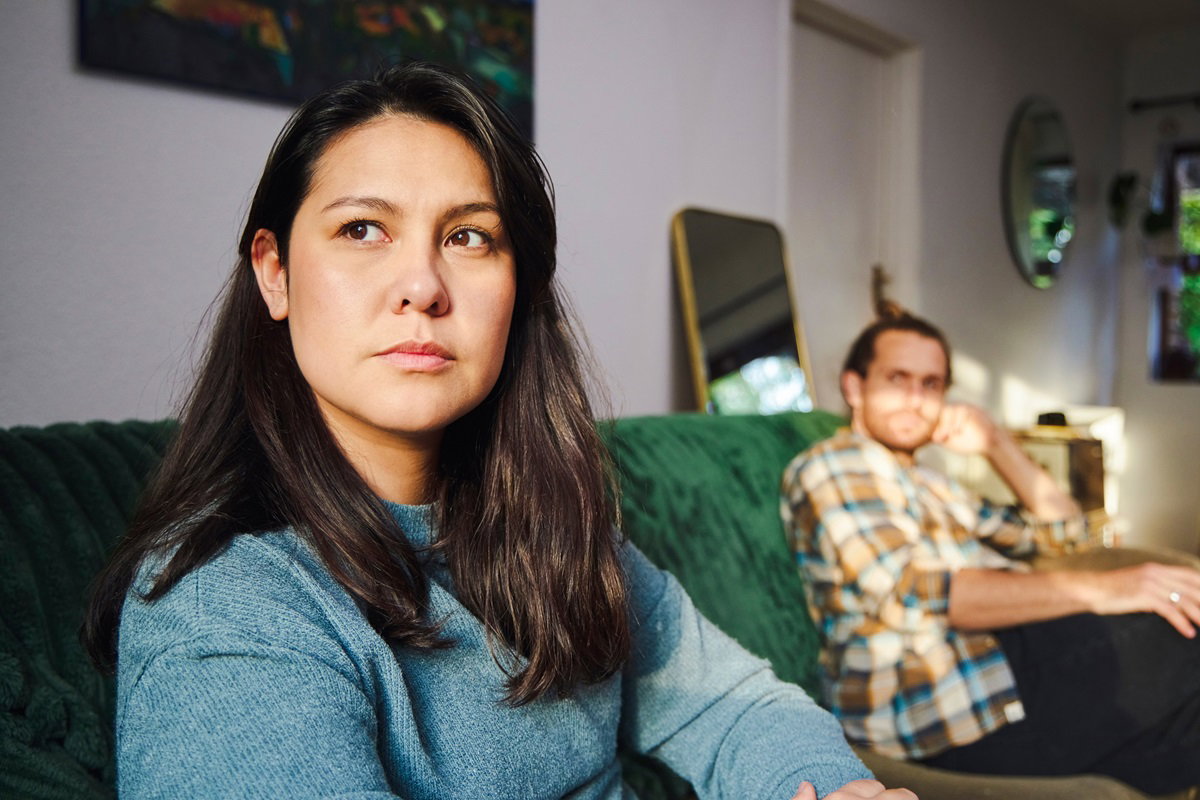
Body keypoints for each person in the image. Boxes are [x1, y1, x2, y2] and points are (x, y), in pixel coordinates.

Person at [82, 63, 916, 800]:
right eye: (362, 229)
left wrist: (836, 789)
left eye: (468, 237)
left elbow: (734, 705)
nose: (422, 284)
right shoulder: (227, 608)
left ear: (518, 291)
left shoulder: (556, 528)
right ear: (275, 273)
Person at [780, 311, 1200, 795]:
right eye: (898, 379)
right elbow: (919, 591)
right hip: (940, 706)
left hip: (1004, 663)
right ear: (855, 388)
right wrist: (1109, 588)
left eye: (931, 384)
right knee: (1183, 630)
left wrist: (997, 444)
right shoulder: (837, 465)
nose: (916, 401)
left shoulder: (930, 482)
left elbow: (1064, 533)